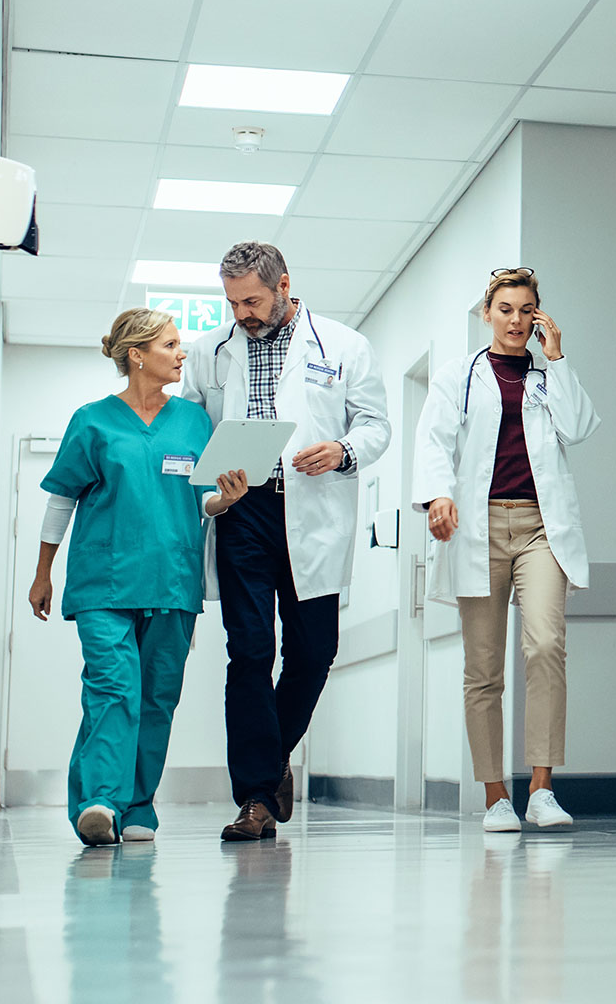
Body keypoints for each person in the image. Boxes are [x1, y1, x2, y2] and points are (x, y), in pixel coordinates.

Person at [183, 241, 391, 841]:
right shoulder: (211, 351)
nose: (242, 314)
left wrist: (344, 450)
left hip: (313, 508)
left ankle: (270, 763)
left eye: (252, 300)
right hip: (243, 509)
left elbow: (375, 425)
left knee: (312, 655)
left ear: (283, 286)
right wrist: (206, 479)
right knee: (249, 653)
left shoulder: (343, 346)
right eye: (232, 303)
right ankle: (255, 798)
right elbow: (191, 425)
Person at [28, 308, 248, 846]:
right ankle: (100, 800)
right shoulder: (93, 420)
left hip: (173, 582)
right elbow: (62, 499)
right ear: (137, 355)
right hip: (103, 581)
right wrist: (42, 573)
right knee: (113, 687)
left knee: (156, 699)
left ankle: (137, 806)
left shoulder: (193, 422)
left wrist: (228, 500)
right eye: (172, 345)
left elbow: (204, 499)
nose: (182, 355)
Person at [412, 267, 600, 832]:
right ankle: (496, 796)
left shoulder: (548, 379)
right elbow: (435, 440)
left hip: (542, 527)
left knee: (545, 647)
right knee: (484, 668)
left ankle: (542, 789)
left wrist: (560, 359)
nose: (516, 320)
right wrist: (439, 497)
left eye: (526, 310)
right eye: (505, 309)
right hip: (480, 527)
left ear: (538, 316)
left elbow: (579, 427)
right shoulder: (457, 376)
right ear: (486, 314)